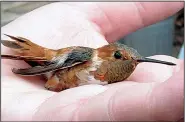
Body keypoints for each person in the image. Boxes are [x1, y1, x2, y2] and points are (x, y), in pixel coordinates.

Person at [1, 2, 184, 121]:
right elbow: (58, 64)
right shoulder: (88, 56)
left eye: (135, 62)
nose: (130, 63)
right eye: (118, 57)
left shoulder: (115, 76)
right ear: (109, 54)